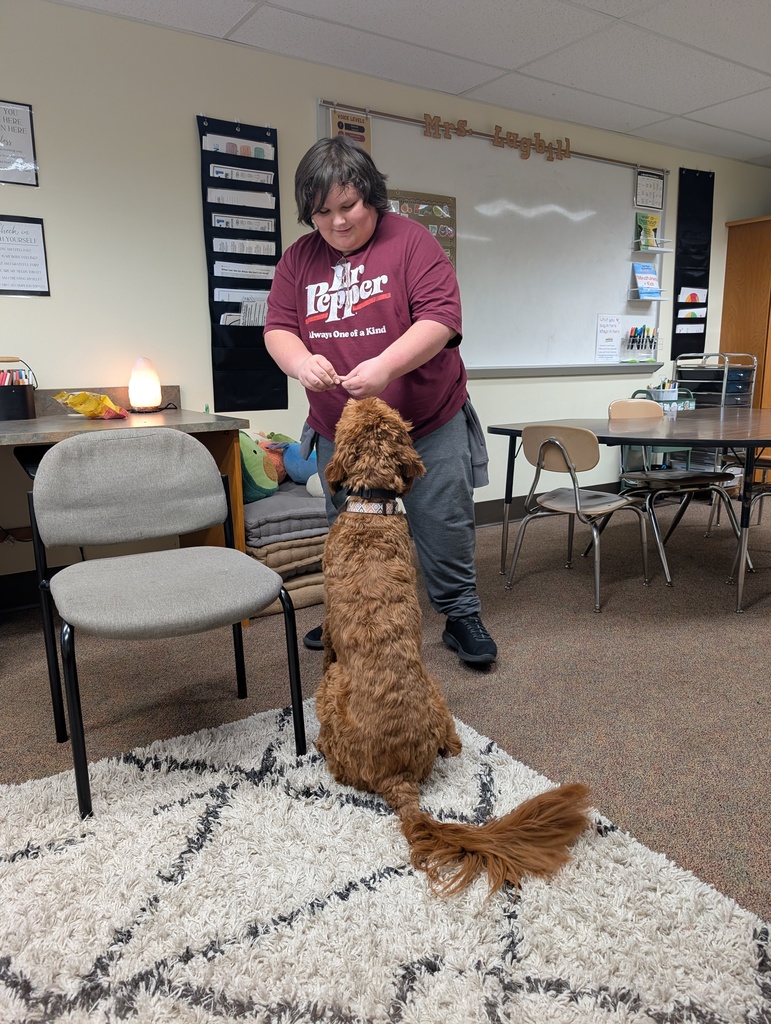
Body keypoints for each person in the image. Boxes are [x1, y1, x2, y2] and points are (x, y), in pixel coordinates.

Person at [264, 135, 496, 666]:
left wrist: (386, 366)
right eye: (322, 212)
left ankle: (460, 615)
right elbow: (278, 328)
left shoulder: (412, 241)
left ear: (370, 196)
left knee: (444, 521)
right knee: (350, 526)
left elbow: (441, 319)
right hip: (341, 427)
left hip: (427, 421)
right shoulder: (298, 260)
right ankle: (348, 614)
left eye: (347, 206)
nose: (337, 222)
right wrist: (301, 363)